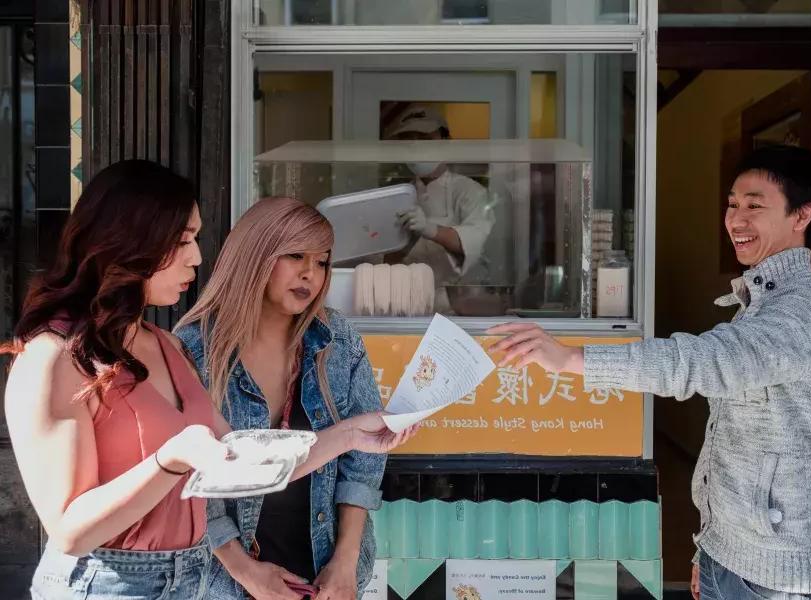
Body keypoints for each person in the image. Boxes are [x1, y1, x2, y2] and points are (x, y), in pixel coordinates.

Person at [4, 161, 415, 600]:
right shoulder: (52, 355)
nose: (198, 257)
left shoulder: (167, 347)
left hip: (197, 578)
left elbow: (245, 464)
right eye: (183, 241)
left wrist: (352, 433)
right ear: (130, 240)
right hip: (110, 583)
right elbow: (69, 531)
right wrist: (170, 461)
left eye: (195, 239)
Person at [487, 145, 811, 600]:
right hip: (731, 561)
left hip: (782, 580)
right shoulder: (760, 303)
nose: (736, 219)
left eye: (755, 206)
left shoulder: (805, 310)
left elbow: (703, 362)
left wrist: (574, 359)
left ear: (802, 216)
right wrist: (708, 552)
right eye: (732, 204)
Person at [175, 197, 391, 600]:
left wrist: (345, 561)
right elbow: (191, 484)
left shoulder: (336, 340)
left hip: (324, 576)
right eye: (295, 255)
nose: (310, 273)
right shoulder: (193, 351)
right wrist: (247, 573)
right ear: (256, 255)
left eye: (323, 261)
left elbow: (362, 465)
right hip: (225, 581)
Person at [385, 105, 495, 312]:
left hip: (454, 307)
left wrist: (430, 229)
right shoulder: (396, 195)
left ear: (446, 143)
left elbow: (476, 242)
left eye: (425, 139)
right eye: (409, 140)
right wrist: (404, 244)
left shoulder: (470, 191)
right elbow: (382, 261)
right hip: (401, 307)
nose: (416, 147)